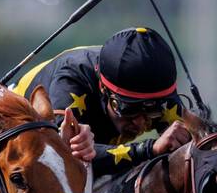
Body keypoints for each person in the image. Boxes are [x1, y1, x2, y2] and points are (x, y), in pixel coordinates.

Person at [11, 26, 192, 177]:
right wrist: (149, 149)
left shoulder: (158, 92)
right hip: (15, 136)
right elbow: (67, 158)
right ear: (103, 88)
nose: (139, 122)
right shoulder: (71, 81)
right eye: (128, 108)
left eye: (152, 110)